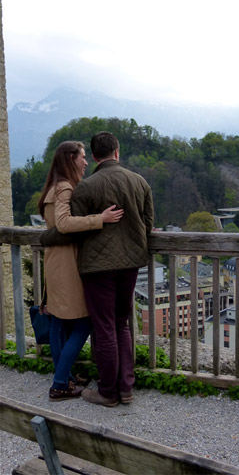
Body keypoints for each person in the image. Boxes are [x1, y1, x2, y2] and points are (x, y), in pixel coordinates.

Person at [71, 132, 154, 408]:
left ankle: (107, 392)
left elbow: (75, 228)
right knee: (121, 323)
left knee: (104, 327)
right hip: (130, 264)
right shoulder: (139, 182)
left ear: (94, 156)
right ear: (117, 152)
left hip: (97, 267)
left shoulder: (85, 187)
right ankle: (126, 388)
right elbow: (148, 224)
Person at [38, 141, 124, 401]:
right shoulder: (64, 187)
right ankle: (60, 383)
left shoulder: (55, 185)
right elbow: (64, 224)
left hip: (56, 261)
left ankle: (65, 376)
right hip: (66, 264)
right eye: (82, 157)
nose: (86, 162)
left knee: (58, 321)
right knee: (84, 321)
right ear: (70, 158)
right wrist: (101, 219)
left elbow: (56, 226)